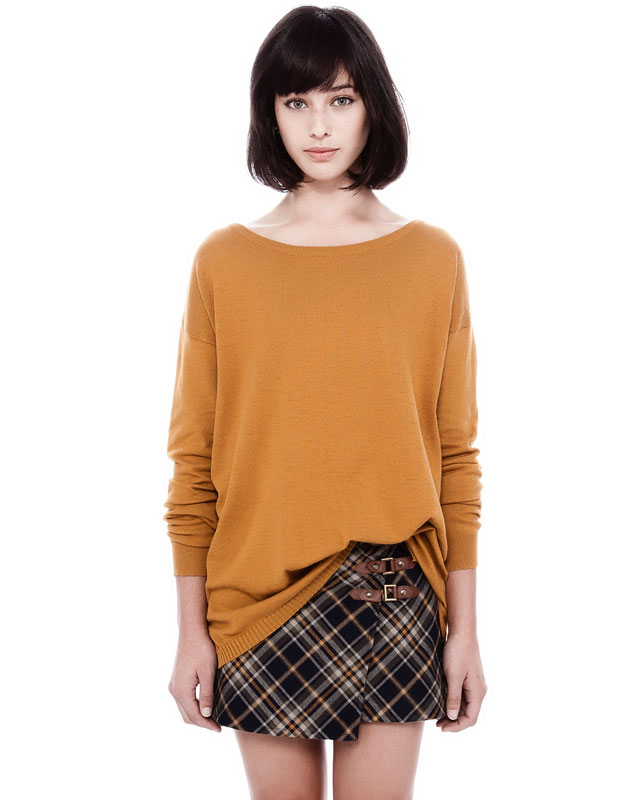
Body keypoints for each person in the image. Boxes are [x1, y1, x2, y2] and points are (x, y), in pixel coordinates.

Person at [164, 5, 487, 798]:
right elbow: (194, 462)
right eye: (296, 101)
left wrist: (467, 632)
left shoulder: (433, 259)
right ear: (269, 113)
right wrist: (189, 633)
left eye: (341, 99)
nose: (318, 125)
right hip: (257, 604)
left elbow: (456, 457)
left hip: (395, 593)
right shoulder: (224, 262)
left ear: (373, 106)